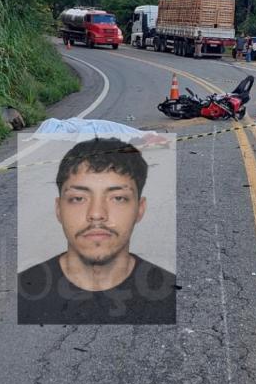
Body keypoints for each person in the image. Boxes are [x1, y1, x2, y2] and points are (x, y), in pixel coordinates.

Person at [18, 137, 176, 325]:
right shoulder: (20, 294)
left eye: (118, 198)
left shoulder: (172, 297)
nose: (96, 214)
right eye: (78, 198)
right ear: (59, 209)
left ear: (140, 209)